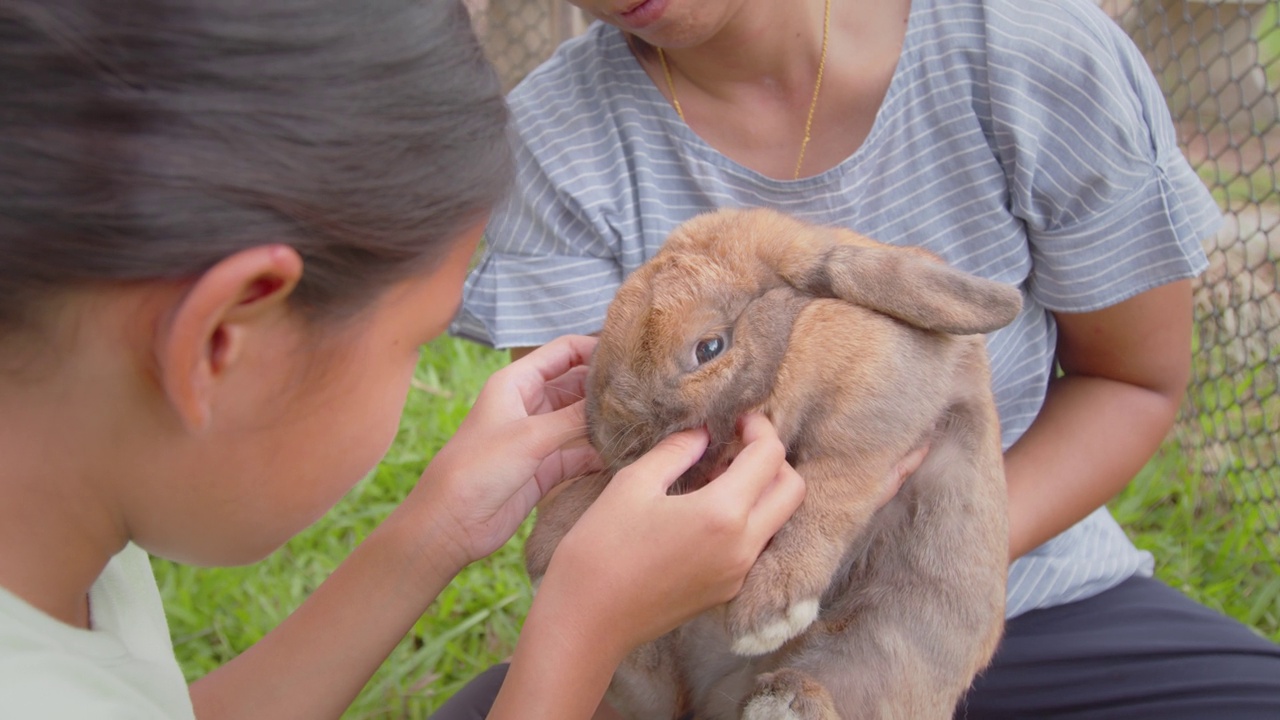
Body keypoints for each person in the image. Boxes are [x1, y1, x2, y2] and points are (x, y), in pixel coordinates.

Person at [450, 0, 1280, 717]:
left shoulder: (1029, 52)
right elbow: (610, 452)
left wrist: (925, 572)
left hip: (1013, 583)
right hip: (703, 627)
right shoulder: (552, 139)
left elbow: (1131, 380)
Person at [0, 1, 812, 719]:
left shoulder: (51, 527)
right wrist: (582, 627)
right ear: (221, 342)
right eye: (413, 344)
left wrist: (440, 525)